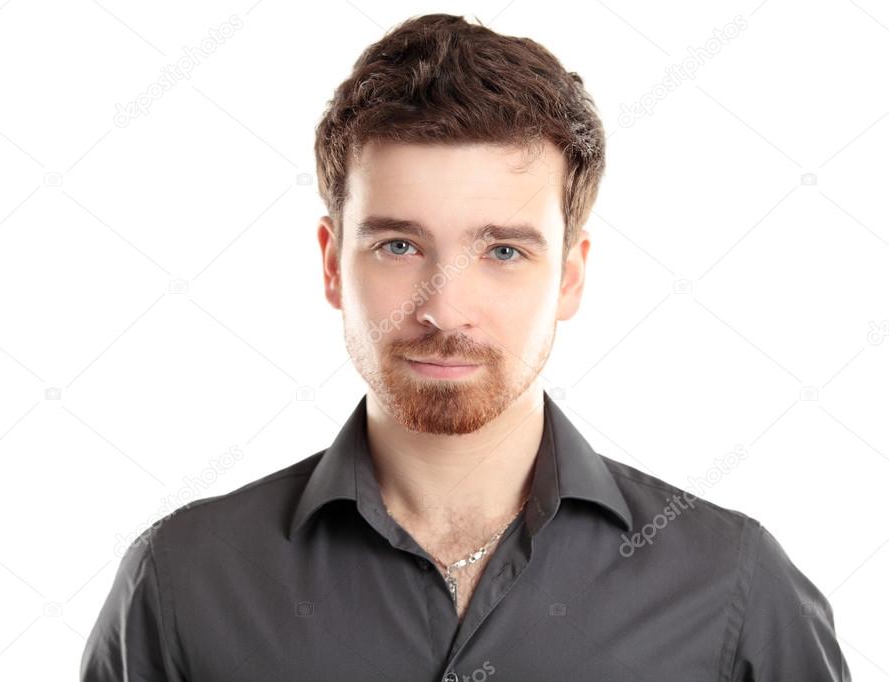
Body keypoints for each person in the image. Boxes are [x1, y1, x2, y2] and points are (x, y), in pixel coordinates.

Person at [80, 13, 850, 680]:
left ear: (572, 276)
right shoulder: (185, 580)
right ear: (329, 263)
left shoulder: (731, 584)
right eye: (398, 246)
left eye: (503, 252)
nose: (444, 310)